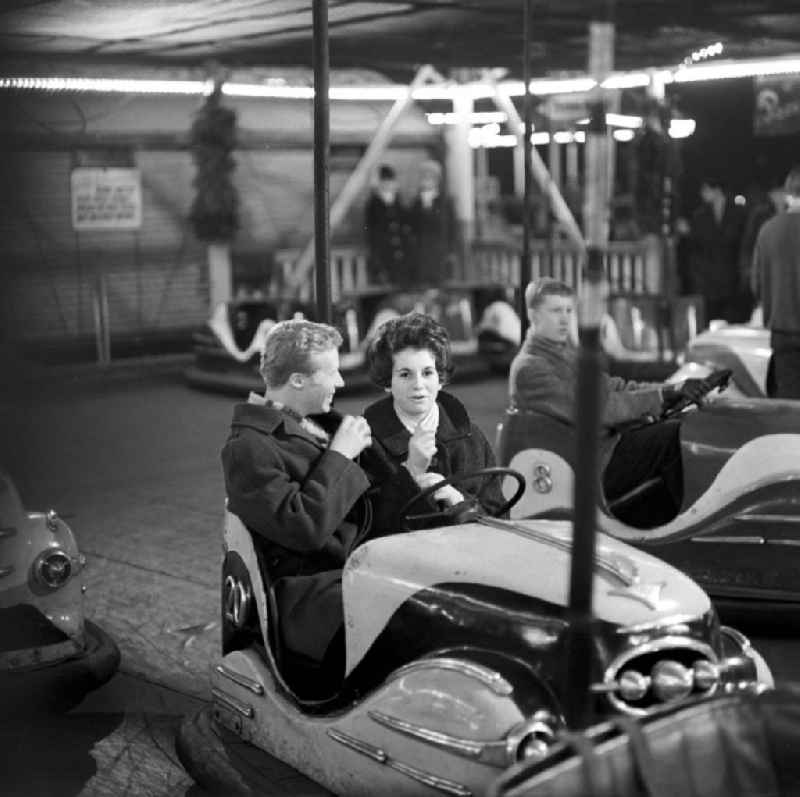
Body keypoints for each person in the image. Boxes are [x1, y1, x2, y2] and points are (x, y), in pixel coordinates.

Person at [220, 319, 373, 677]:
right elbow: (302, 528)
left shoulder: (318, 424)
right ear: (298, 380)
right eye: (332, 373)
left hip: (351, 565)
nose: (341, 382)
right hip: (306, 588)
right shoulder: (248, 448)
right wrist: (340, 456)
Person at [508, 278, 706, 526]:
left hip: (606, 448)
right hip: (593, 465)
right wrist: (660, 397)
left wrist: (671, 389)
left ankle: (663, 522)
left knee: (679, 422)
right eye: (556, 311)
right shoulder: (531, 368)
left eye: (569, 311)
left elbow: (617, 388)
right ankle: (689, 527)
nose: (564, 319)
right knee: (674, 435)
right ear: (533, 315)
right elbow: (598, 410)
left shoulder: (566, 357)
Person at [363, 312, 504, 535]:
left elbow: (500, 520)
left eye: (427, 373)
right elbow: (369, 532)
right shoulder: (367, 444)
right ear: (387, 382)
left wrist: (458, 501)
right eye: (405, 375)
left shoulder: (471, 438)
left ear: (441, 379)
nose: (418, 385)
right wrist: (411, 472)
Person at [751, 165, 800, 398]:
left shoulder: (767, 230)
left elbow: (756, 285)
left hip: (782, 331)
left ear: (788, 194)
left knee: (790, 408)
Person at [687, 176, 747, 324]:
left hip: (732, 281)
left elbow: (741, 244)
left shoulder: (738, 213)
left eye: (706, 190)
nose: (703, 194)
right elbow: (695, 249)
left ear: (717, 190)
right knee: (710, 324)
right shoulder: (699, 216)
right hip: (708, 284)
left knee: (732, 324)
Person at [408, 160, 457, 287]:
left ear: (437, 180)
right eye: (424, 176)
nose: (427, 180)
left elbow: (452, 228)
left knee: (440, 285)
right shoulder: (416, 202)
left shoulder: (446, 201)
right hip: (420, 254)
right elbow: (411, 227)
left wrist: (451, 250)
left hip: (439, 253)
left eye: (431, 177)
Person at [364, 164, 411, 287]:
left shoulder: (399, 202)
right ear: (379, 183)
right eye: (384, 181)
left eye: (390, 181)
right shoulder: (373, 204)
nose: (387, 184)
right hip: (382, 255)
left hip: (401, 257)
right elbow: (372, 233)